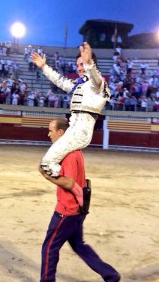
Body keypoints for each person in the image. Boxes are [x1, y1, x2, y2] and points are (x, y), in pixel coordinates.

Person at [39, 118, 121, 282]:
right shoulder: (74, 151)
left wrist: (46, 175)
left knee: (49, 248)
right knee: (79, 245)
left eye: (51, 131)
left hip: (67, 211)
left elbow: (69, 182)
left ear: (60, 132)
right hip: (78, 209)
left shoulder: (69, 155)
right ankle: (110, 274)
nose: (49, 134)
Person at [31, 42, 110, 177]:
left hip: (81, 131)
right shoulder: (78, 84)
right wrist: (44, 66)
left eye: (82, 64)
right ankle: (80, 187)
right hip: (73, 128)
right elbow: (60, 80)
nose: (80, 68)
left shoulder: (98, 85)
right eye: (78, 65)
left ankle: (74, 188)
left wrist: (89, 63)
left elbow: (96, 80)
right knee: (56, 162)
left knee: (47, 164)